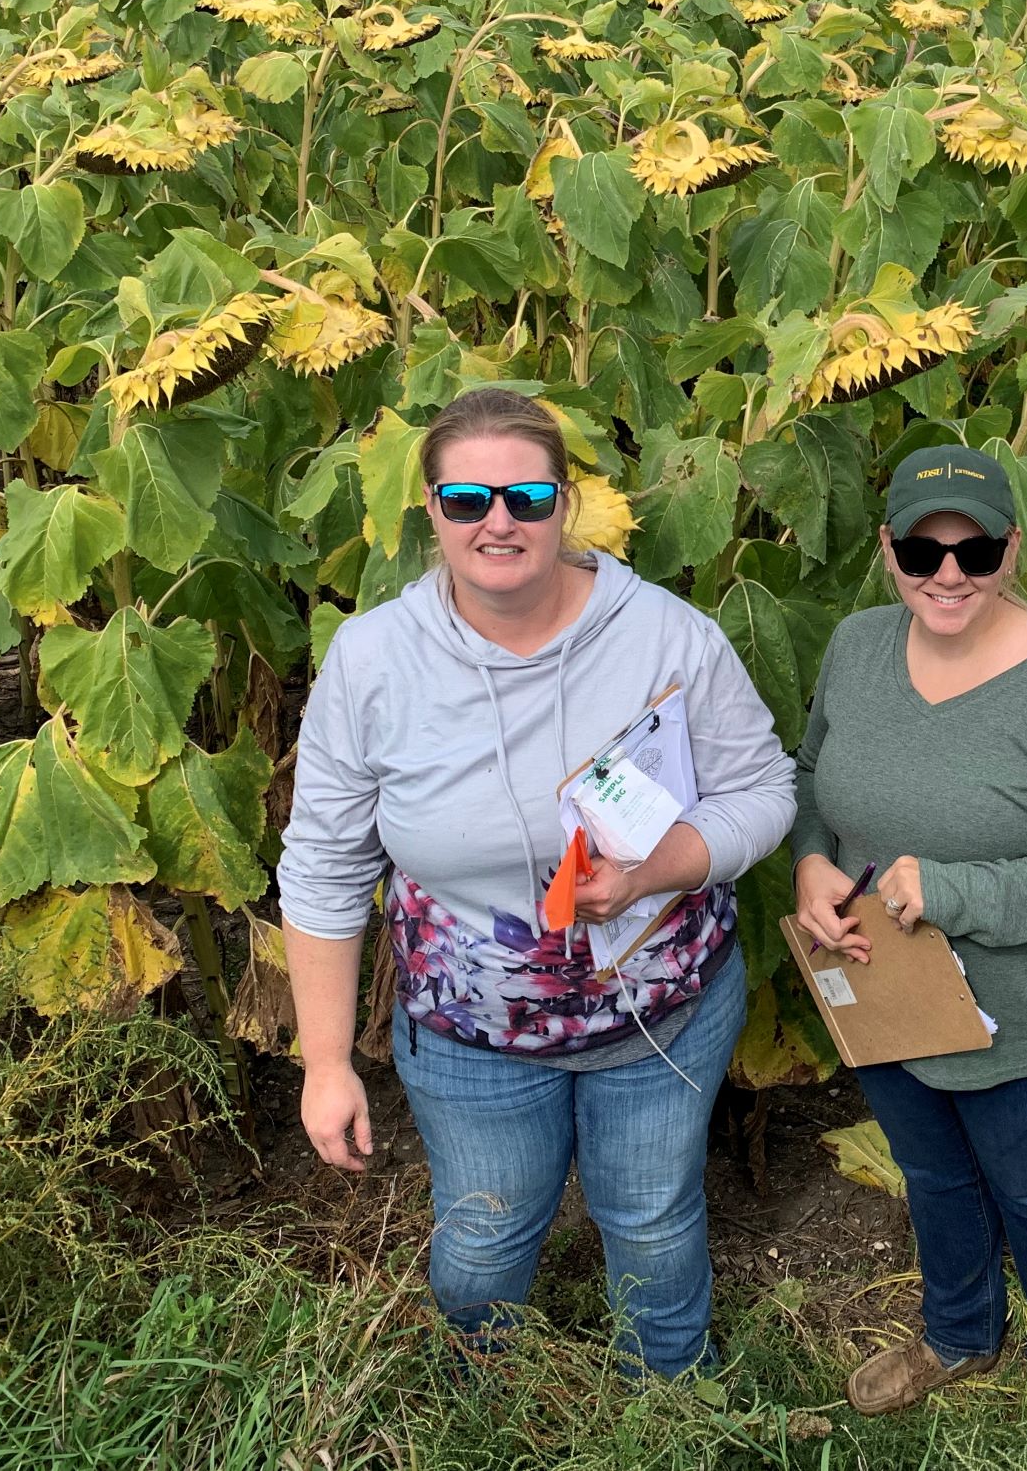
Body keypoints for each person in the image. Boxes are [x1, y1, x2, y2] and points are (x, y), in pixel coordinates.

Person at [276, 385, 796, 1373]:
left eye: (526, 495)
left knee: (650, 1219)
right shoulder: (373, 660)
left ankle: (669, 1404)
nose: (499, 520)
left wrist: (663, 866)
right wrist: (328, 1060)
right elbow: (324, 865)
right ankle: (502, 1397)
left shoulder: (667, 637)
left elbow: (762, 788)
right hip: (470, 1030)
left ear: (568, 502)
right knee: (482, 1240)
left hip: (661, 1009)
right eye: (468, 499)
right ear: (430, 511)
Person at [790, 444, 1027, 1415]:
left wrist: (961, 893)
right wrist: (812, 860)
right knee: (933, 1177)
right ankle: (958, 1332)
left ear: (1013, 550)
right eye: (922, 553)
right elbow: (809, 778)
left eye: (974, 552)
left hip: (1023, 1015)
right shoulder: (858, 647)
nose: (947, 575)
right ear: (888, 551)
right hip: (882, 989)